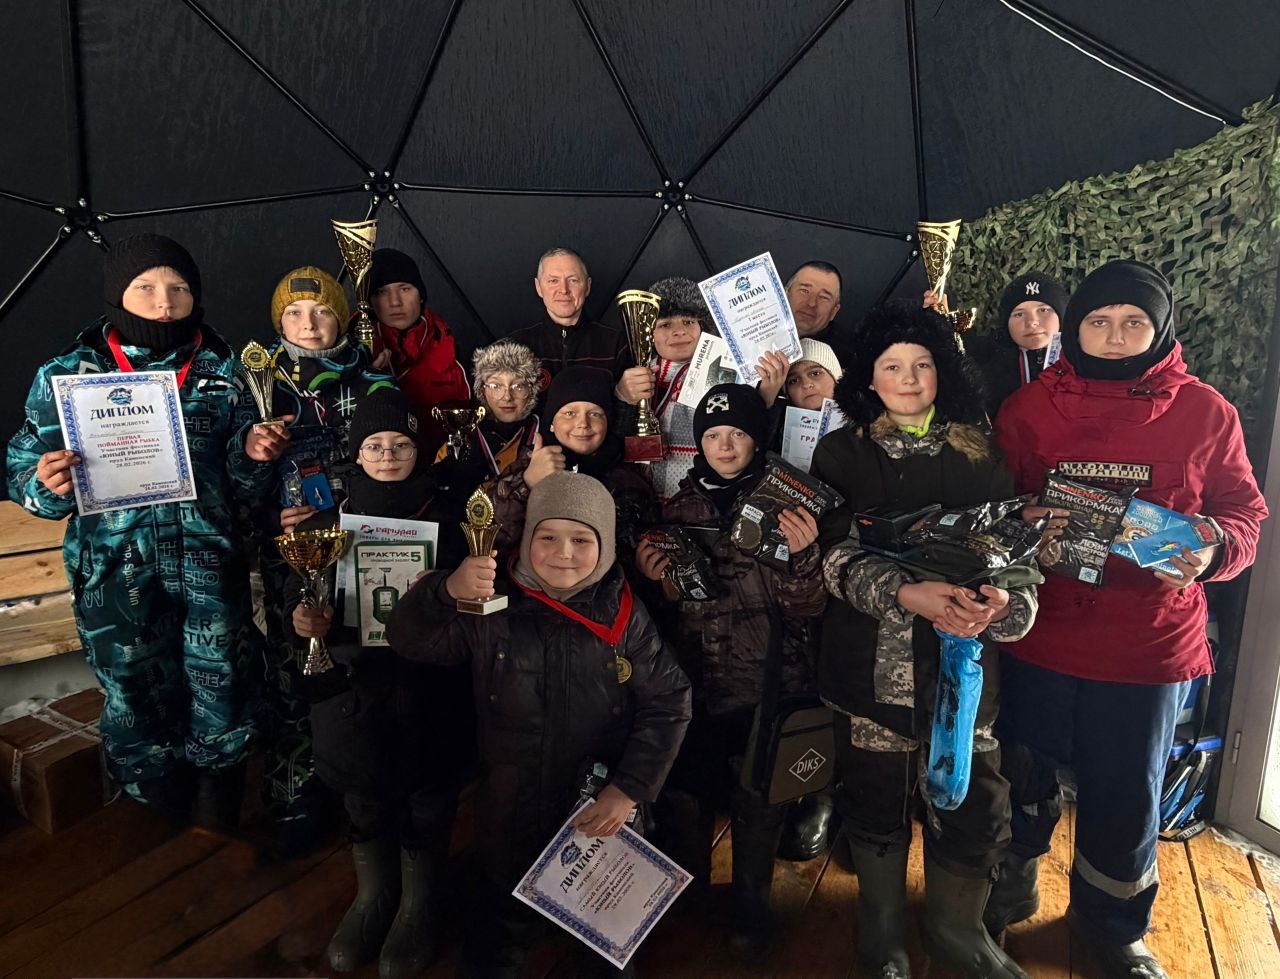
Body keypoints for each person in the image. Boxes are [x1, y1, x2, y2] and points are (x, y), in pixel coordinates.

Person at [992, 260, 1267, 979]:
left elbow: (1246, 515)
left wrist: (1212, 550)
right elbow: (993, 506)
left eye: (1134, 322)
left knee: (1127, 790)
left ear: (1161, 327)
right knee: (1021, 767)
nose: (1115, 337)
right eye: (1099, 322)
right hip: (1040, 629)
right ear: (1075, 327)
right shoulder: (1028, 409)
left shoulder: (1208, 412)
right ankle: (1008, 883)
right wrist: (1025, 522)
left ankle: (1112, 925)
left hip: (1147, 642)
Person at [7, 233, 285, 827]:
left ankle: (220, 794)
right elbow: (22, 467)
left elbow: (245, 486)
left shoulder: (228, 371)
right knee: (131, 686)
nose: (165, 302)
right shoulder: (67, 374)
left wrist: (253, 455)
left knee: (222, 680)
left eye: (179, 288)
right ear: (118, 295)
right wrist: (43, 483)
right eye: (147, 288)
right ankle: (153, 798)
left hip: (210, 565)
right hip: (115, 570)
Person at [809, 300, 1039, 979]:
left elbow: (1013, 551)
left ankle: (956, 930)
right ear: (869, 378)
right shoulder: (840, 452)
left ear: (944, 373)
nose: (908, 379)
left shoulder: (983, 451)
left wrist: (1002, 601)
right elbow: (829, 554)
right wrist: (906, 593)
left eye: (923, 365)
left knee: (973, 796)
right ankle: (882, 933)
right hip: (869, 666)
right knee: (874, 793)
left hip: (965, 667)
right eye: (891, 366)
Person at [386, 471, 692, 976]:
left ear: (605, 545)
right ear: (527, 539)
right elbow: (410, 641)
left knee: (603, 935)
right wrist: (444, 592)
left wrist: (630, 788)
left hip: (594, 807)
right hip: (510, 802)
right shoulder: (491, 605)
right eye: (547, 536)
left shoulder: (625, 615)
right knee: (501, 928)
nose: (563, 552)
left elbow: (670, 700)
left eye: (581, 539)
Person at [634, 383, 826, 955]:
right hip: (691, 681)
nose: (724, 444)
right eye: (713, 435)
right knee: (686, 790)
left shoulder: (788, 508)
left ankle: (751, 900)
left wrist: (804, 557)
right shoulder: (675, 509)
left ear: (757, 440)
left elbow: (811, 607)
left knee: (758, 796)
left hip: (767, 682)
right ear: (698, 443)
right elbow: (663, 610)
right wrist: (656, 580)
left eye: (738, 434)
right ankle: (684, 889)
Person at [286, 391, 469, 976]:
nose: (387, 455)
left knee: (428, 790)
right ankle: (374, 896)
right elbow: (300, 599)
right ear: (356, 453)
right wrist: (302, 621)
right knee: (361, 787)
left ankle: (419, 903)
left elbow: (479, 602)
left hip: (429, 680)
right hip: (353, 682)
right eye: (374, 445)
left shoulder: (452, 519)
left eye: (401, 444)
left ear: (421, 449)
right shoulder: (323, 525)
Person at [254, 265, 394, 846]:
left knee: (361, 657)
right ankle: (297, 788)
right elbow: (230, 479)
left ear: (343, 317)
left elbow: (398, 456)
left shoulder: (373, 381)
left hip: (363, 541)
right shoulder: (259, 385)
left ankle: (364, 776)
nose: (308, 325)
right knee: (295, 665)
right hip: (291, 551)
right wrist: (265, 505)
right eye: (293, 313)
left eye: (321, 312)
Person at [493, 365, 657, 571]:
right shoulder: (525, 467)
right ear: (551, 422)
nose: (583, 424)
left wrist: (643, 572)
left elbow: (634, 548)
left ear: (608, 421)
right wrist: (527, 483)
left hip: (608, 597)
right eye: (569, 413)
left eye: (595, 414)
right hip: (534, 593)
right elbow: (493, 538)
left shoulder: (627, 480)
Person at [614, 277, 715, 502]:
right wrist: (622, 399)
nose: (679, 332)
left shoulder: (727, 372)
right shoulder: (634, 374)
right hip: (646, 500)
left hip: (705, 503)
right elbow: (613, 444)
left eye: (689, 321)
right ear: (648, 333)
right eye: (665, 324)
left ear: (702, 326)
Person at [365, 247, 470, 456]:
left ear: (420, 295)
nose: (395, 302)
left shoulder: (449, 344)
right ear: (368, 301)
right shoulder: (350, 351)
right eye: (381, 292)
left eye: (404, 289)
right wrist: (363, 381)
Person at [927, 271, 1068, 417]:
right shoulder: (982, 361)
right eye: (1019, 314)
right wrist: (940, 324)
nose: (1032, 322)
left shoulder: (1082, 363)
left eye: (1043, 310)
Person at [508, 247, 630, 395]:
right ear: (538, 287)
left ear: (587, 286)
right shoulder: (515, 346)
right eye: (553, 281)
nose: (564, 290)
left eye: (573, 280)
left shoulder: (616, 344)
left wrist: (621, 394)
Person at [433, 340, 540, 508]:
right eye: (496, 386)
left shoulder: (544, 440)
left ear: (532, 390)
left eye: (518, 386)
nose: (507, 397)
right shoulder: (457, 443)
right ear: (482, 390)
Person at [785, 261, 847, 358]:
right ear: (785, 294)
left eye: (824, 297)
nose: (811, 303)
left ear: (834, 312)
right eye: (804, 291)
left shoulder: (843, 358)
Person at [783, 337, 843, 411]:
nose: (806, 384)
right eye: (794, 381)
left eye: (815, 373)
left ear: (836, 377)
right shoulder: (773, 420)